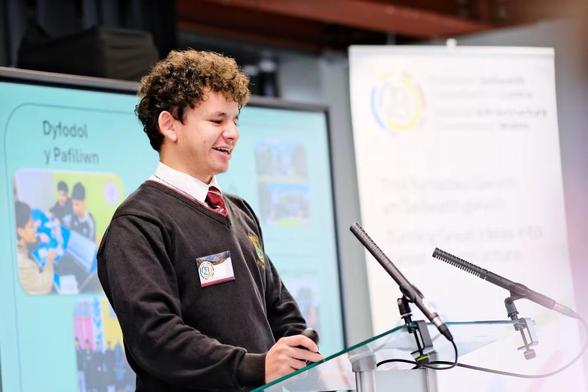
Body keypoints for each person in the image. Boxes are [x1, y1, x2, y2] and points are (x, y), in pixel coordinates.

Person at [97, 50, 322, 391]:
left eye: (235, 120)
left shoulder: (240, 211)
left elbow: (278, 308)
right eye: (217, 121)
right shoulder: (138, 223)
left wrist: (300, 349)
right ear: (170, 125)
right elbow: (155, 338)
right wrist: (254, 366)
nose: (232, 133)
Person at [15, 200, 55, 294]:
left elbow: (25, 242)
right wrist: (49, 261)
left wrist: (37, 238)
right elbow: (45, 287)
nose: (35, 229)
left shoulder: (17, 242)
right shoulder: (23, 264)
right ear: (20, 231)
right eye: (31, 226)